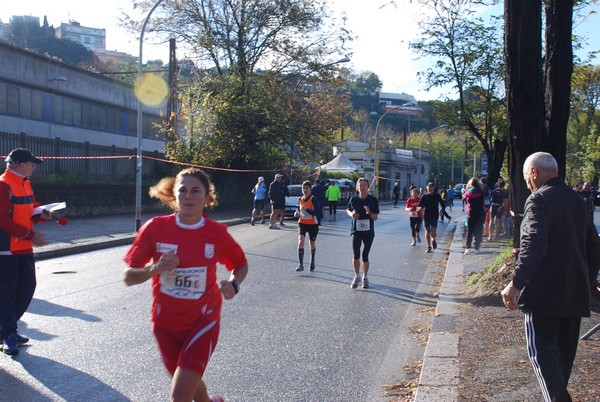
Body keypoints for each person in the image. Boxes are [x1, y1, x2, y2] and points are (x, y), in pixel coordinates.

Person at [123, 168, 248, 402]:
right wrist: (155, 269)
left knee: (179, 395)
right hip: (165, 324)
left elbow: (240, 264)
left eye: (195, 191)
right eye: (182, 190)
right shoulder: (155, 228)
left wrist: (234, 283)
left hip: (203, 320)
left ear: (206, 198)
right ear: (174, 195)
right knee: (188, 381)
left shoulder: (216, 233)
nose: (188, 196)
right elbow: (128, 277)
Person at [501, 152, 600, 402]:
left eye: (526, 178)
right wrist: (586, 284)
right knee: (560, 366)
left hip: (543, 295)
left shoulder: (538, 200)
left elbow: (533, 244)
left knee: (543, 358)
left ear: (534, 172)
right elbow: (594, 247)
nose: (527, 184)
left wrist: (515, 284)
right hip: (574, 295)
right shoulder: (578, 200)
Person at [0, 148, 51, 355]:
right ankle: (8, 334)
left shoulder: (25, 183)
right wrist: (32, 235)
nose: (34, 166)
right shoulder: (3, 185)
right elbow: (2, 220)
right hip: (6, 250)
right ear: (21, 164)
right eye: (31, 163)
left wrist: (42, 215)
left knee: (27, 288)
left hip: (23, 248)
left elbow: (31, 210)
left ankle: (7, 329)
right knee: (7, 293)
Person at [347, 177, 379, 289]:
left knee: (365, 255)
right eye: (360, 185)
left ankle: (365, 277)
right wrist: (352, 215)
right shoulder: (354, 200)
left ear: (368, 187)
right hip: (356, 231)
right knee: (356, 254)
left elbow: (375, 218)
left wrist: (369, 213)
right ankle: (357, 276)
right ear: (357, 187)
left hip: (368, 232)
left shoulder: (372, 200)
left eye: (364, 185)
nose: (362, 187)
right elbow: (348, 209)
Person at [294, 181, 321, 272]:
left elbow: (318, 212)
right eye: (303, 188)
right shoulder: (300, 199)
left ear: (310, 189)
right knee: (300, 241)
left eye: (307, 188)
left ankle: (312, 260)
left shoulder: (313, 199)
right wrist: (297, 213)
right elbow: (298, 209)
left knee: (311, 243)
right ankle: (301, 264)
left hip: (313, 224)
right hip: (302, 223)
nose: (305, 190)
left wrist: (307, 210)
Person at [417, 182, 445, 253]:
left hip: (434, 216)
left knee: (433, 232)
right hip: (426, 216)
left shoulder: (437, 196)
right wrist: (419, 208)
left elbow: (443, 204)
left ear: (433, 188)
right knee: (427, 231)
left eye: (431, 187)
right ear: (427, 188)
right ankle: (428, 247)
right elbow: (420, 205)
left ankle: (433, 239)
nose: (430, 188)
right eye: (428, 187)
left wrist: (442, 210)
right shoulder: (424, 196)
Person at [462, 177, 486, 255]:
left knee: (469, 231)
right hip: (480, 214)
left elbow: (464, 199)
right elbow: (483, 203)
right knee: (478, 231)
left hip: (471, 214)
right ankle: (476, 248)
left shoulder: (468, 193)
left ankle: (468, 248)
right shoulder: (481, 192)